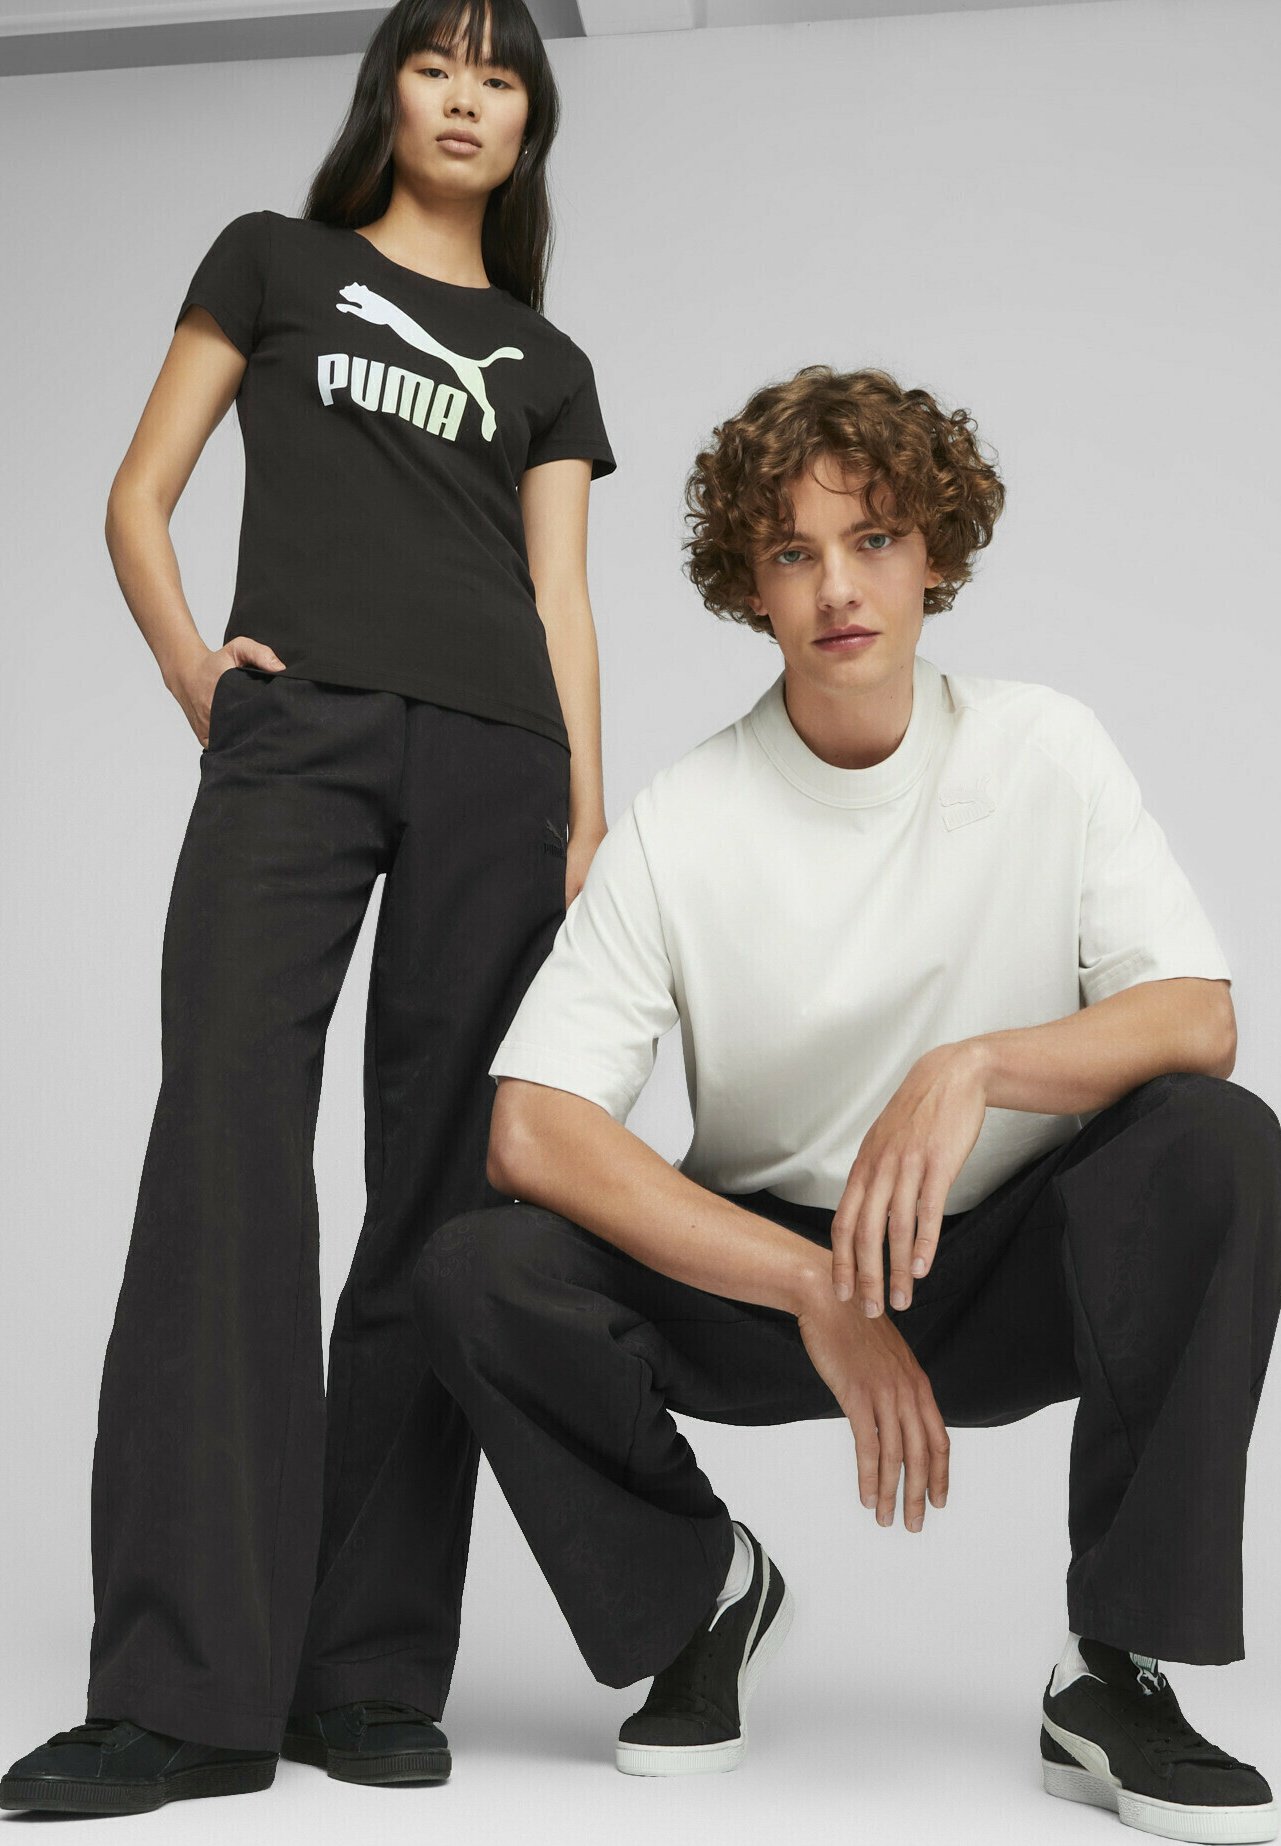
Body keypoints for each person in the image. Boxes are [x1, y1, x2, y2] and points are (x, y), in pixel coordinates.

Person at [410, 365, 1280, 1844]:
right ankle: (699, 1595)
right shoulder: (687, 820)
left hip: (1003, 1261)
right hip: (765, 1278)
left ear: (933, 551)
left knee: (1218, 1143)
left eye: (873, 538)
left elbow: (1199, 1017)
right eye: (792, 551)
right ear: (748, 586)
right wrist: (815, 1286)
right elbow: (531, 1128)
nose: (837, 588)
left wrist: (976, 1067)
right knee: (476, 1269)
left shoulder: (1042, 748)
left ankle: (1115, 1669)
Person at [1, 0, 615, 1818]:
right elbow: (138, 495)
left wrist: (585, 816)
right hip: (301, 729)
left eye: (500, 77)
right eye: (437, 64)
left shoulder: (546, 359)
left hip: (501, 759)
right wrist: (198, 674)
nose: (465, 97)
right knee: (226, 1147)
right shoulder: (273, 262)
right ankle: (183, 1688)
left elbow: (561, 599)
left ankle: (363, 1669)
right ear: (386, 91)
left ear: (527, 125)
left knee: (444, 1197)